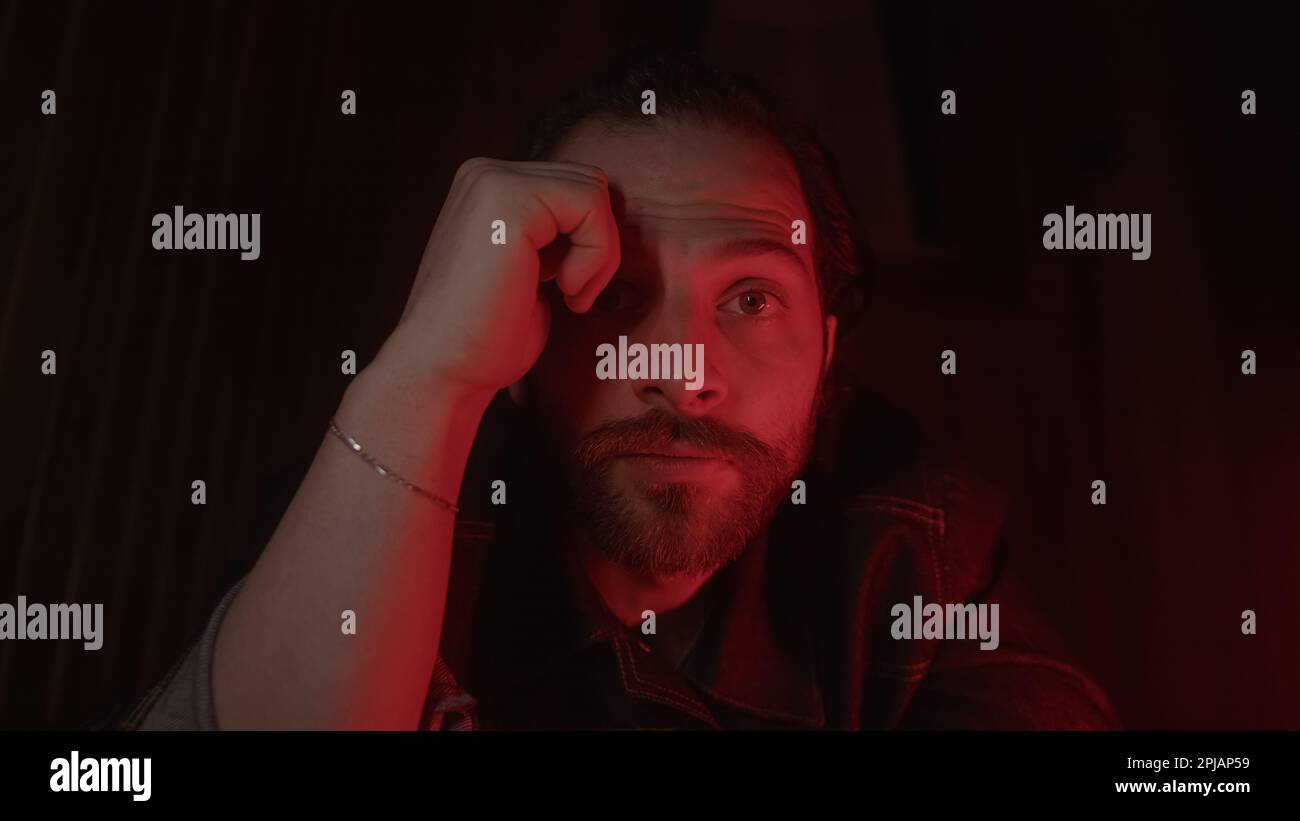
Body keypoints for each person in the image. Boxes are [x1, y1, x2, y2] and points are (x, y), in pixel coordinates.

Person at [120, 54, 1117, 730]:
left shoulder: (913, 548)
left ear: (823, 352)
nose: (679, 366)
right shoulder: (387, 506)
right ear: (517, 322)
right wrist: (427, 367)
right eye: (612, 294)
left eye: (750, 296)